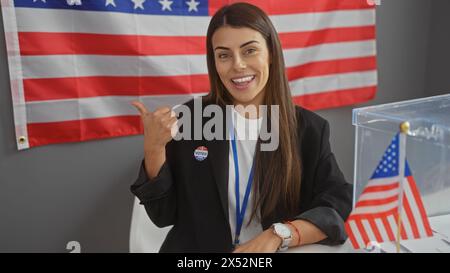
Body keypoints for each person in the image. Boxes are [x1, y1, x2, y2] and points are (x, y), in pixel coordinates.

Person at [130, 2, 352, 253]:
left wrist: (280, 234)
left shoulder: (309, 129)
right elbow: (162, 215)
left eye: (249, 51)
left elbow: (336, 206)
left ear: (270, 53)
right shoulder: (190, 118)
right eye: (224, 55)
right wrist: (154, 148)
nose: (237, 65)